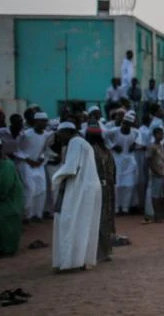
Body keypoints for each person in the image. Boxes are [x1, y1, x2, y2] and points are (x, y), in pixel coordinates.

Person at [51, 122, 102, 272]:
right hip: (88, 187)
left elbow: (71, 168)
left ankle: (71, 262)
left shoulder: (75, 142)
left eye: (60, 134)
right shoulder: (83, 142)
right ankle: (81, 260)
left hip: (80, 188)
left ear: (67, 131)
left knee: (70, 221)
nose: (59, 138)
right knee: (83, 224)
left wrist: (55, 179)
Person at [87, 127, 117, 262]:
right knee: (106, 219)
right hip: (109, 188)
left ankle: (96, 252)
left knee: (95, 219)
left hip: (97, 188)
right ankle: (106, 251)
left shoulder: (90, 150)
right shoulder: (106, 150)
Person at [15, 112, 50, 221]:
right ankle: (26, 215)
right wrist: (27, 159)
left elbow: (46, 149)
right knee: (30, 189)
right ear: (36, 122)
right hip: (26, 164)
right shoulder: (26, 134)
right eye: (42, 121)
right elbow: (16, 149)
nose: (44, 123)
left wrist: (41, 158)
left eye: (45, 120)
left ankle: (37, 214)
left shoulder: (47, 135)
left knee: (42, 189)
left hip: (39, 164)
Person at [106, 112, 139, 215]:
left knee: (129, 185)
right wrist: (112, 146)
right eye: (124, 123)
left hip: (129, 162)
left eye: (128, 124)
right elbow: (104, 136)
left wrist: (135, 145)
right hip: (117, 161)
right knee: (117, 186)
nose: (125, 125)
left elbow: (139, 140)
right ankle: (116, 208)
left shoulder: (135, 132)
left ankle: (125, 208)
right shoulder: (114, 131)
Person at [146, 128, 164, 223]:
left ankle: (160, 213)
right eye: (159, 134)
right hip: (156, 174)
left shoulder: (161, 146)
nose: (161, 136)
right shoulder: (152, 147)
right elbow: (149, 161)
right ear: (154, 135)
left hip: (162, 173)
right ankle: (156, 215)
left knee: (160, 195)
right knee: (155, 195)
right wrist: (155, 171)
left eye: (162, 134)